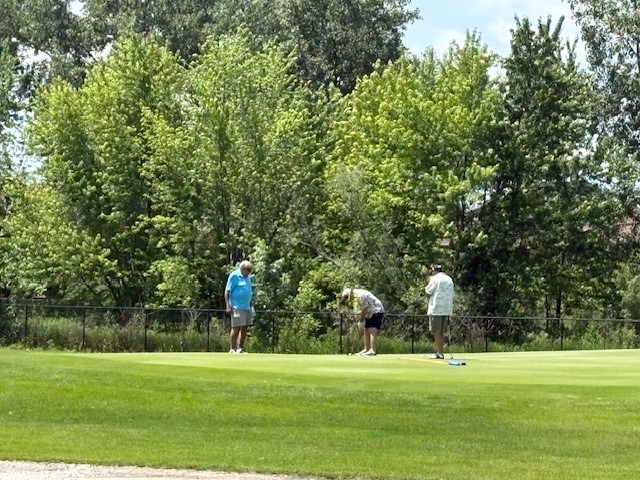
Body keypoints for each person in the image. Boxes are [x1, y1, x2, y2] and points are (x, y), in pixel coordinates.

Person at [341, 288, 384, 356]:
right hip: (370, 312)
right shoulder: (358, 296)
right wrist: (362, 321)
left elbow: (365, 309)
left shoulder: (361, 295)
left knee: (372, 329)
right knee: (366, 329)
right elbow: (364, 309)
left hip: (376, 310)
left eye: (347, 297)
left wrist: (361, 321)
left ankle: (372, 350)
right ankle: (366, 349)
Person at [424, 264, 454, 359]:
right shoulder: (449, 279)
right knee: (441, 331)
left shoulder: (435, 278)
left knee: (436, 331)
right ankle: (439, 351)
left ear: (434, 271)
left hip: (436, 308)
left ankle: (439, 353)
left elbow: (428, 291)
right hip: (446, 308)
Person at [224, 260, 254, 353]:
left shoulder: (248, 277)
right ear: (242, 269)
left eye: (250, 270)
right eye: (248, 270)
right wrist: (228, 305)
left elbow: (248, 291)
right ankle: (232, 348)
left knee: (244, 328)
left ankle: (239, 348)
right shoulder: (234, 276)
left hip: (246, 306)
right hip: (236, 306)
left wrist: (251, 304)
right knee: (236, 327)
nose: (249, 272)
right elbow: (227, 291)